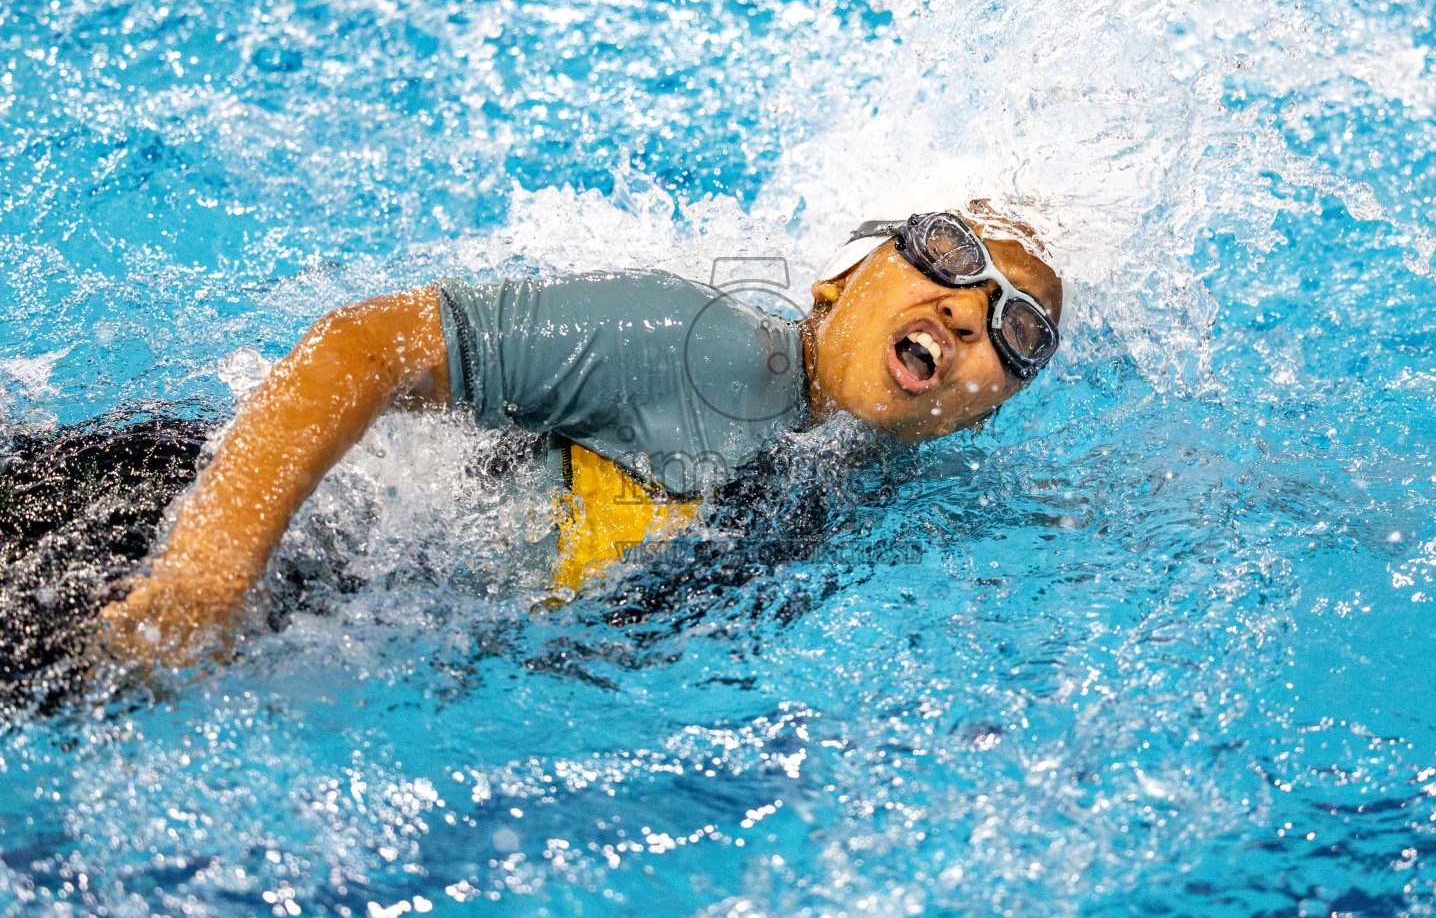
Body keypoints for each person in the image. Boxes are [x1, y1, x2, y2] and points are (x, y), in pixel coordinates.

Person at [100, 200, 1065, 661]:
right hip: (168, 520)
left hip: (332, 610)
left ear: (977, 414)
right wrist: (206, 571)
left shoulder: (860, 480)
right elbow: (360, 346)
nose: (968, 310)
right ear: (835, 285)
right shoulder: (699, 343)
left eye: (1018, 330)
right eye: (950, 256)